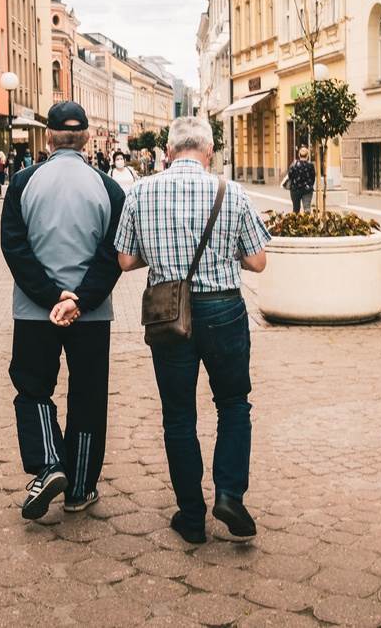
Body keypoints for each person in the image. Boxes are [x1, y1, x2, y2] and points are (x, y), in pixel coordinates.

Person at [115, 116, 271, 545]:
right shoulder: (232, 192)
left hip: (168, 313)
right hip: (223, 309)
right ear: (208, 153)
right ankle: (229, 494)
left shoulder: (140, 192)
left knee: (179, 414)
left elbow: (125, 261)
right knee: (234, 404)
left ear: (168, 151)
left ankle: (190, 515)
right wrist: (221, 256)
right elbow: (257, 261)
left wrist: (167, 259)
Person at [1, 101, 125, 520]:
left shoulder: (22, 183)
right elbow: (113, 256)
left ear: (49, 137)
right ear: (87, 137)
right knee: (88, 396)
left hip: (35, 312)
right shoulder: (108, 189)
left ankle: (50, 461)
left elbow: (15, 249)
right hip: (90, 315)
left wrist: (52, 297)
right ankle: (80, 487)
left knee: (32, 386)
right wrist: (78, 300)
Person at [282, 146, 316, 213]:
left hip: (295, 190)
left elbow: (290, 176)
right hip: (307, 190)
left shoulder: (294, 164)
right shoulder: (310, 165)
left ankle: (296, 222)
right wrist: (308, 185)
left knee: (296, 209)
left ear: (299, 155)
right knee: (307, 209)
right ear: (308, 155)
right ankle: (307, 223)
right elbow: (313, 178)